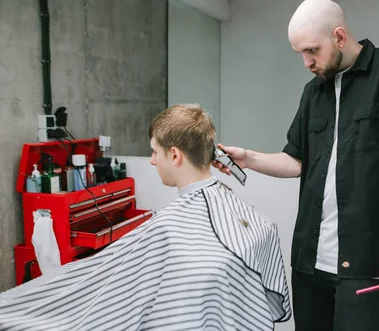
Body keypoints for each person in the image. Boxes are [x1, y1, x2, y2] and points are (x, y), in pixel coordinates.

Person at [213, 0, 379, 330]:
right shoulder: (313, 92)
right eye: (301, 54)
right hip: (309, 263)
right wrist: (249, 159)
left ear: (339, 37)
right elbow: (296, 161)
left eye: (312, 50)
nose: (307, 62)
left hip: (364, 262)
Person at [0, 104, 291, 331]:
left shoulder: (167, 229)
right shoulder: (248, 217)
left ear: (175, 155)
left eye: (154, 152)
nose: (152, 160)